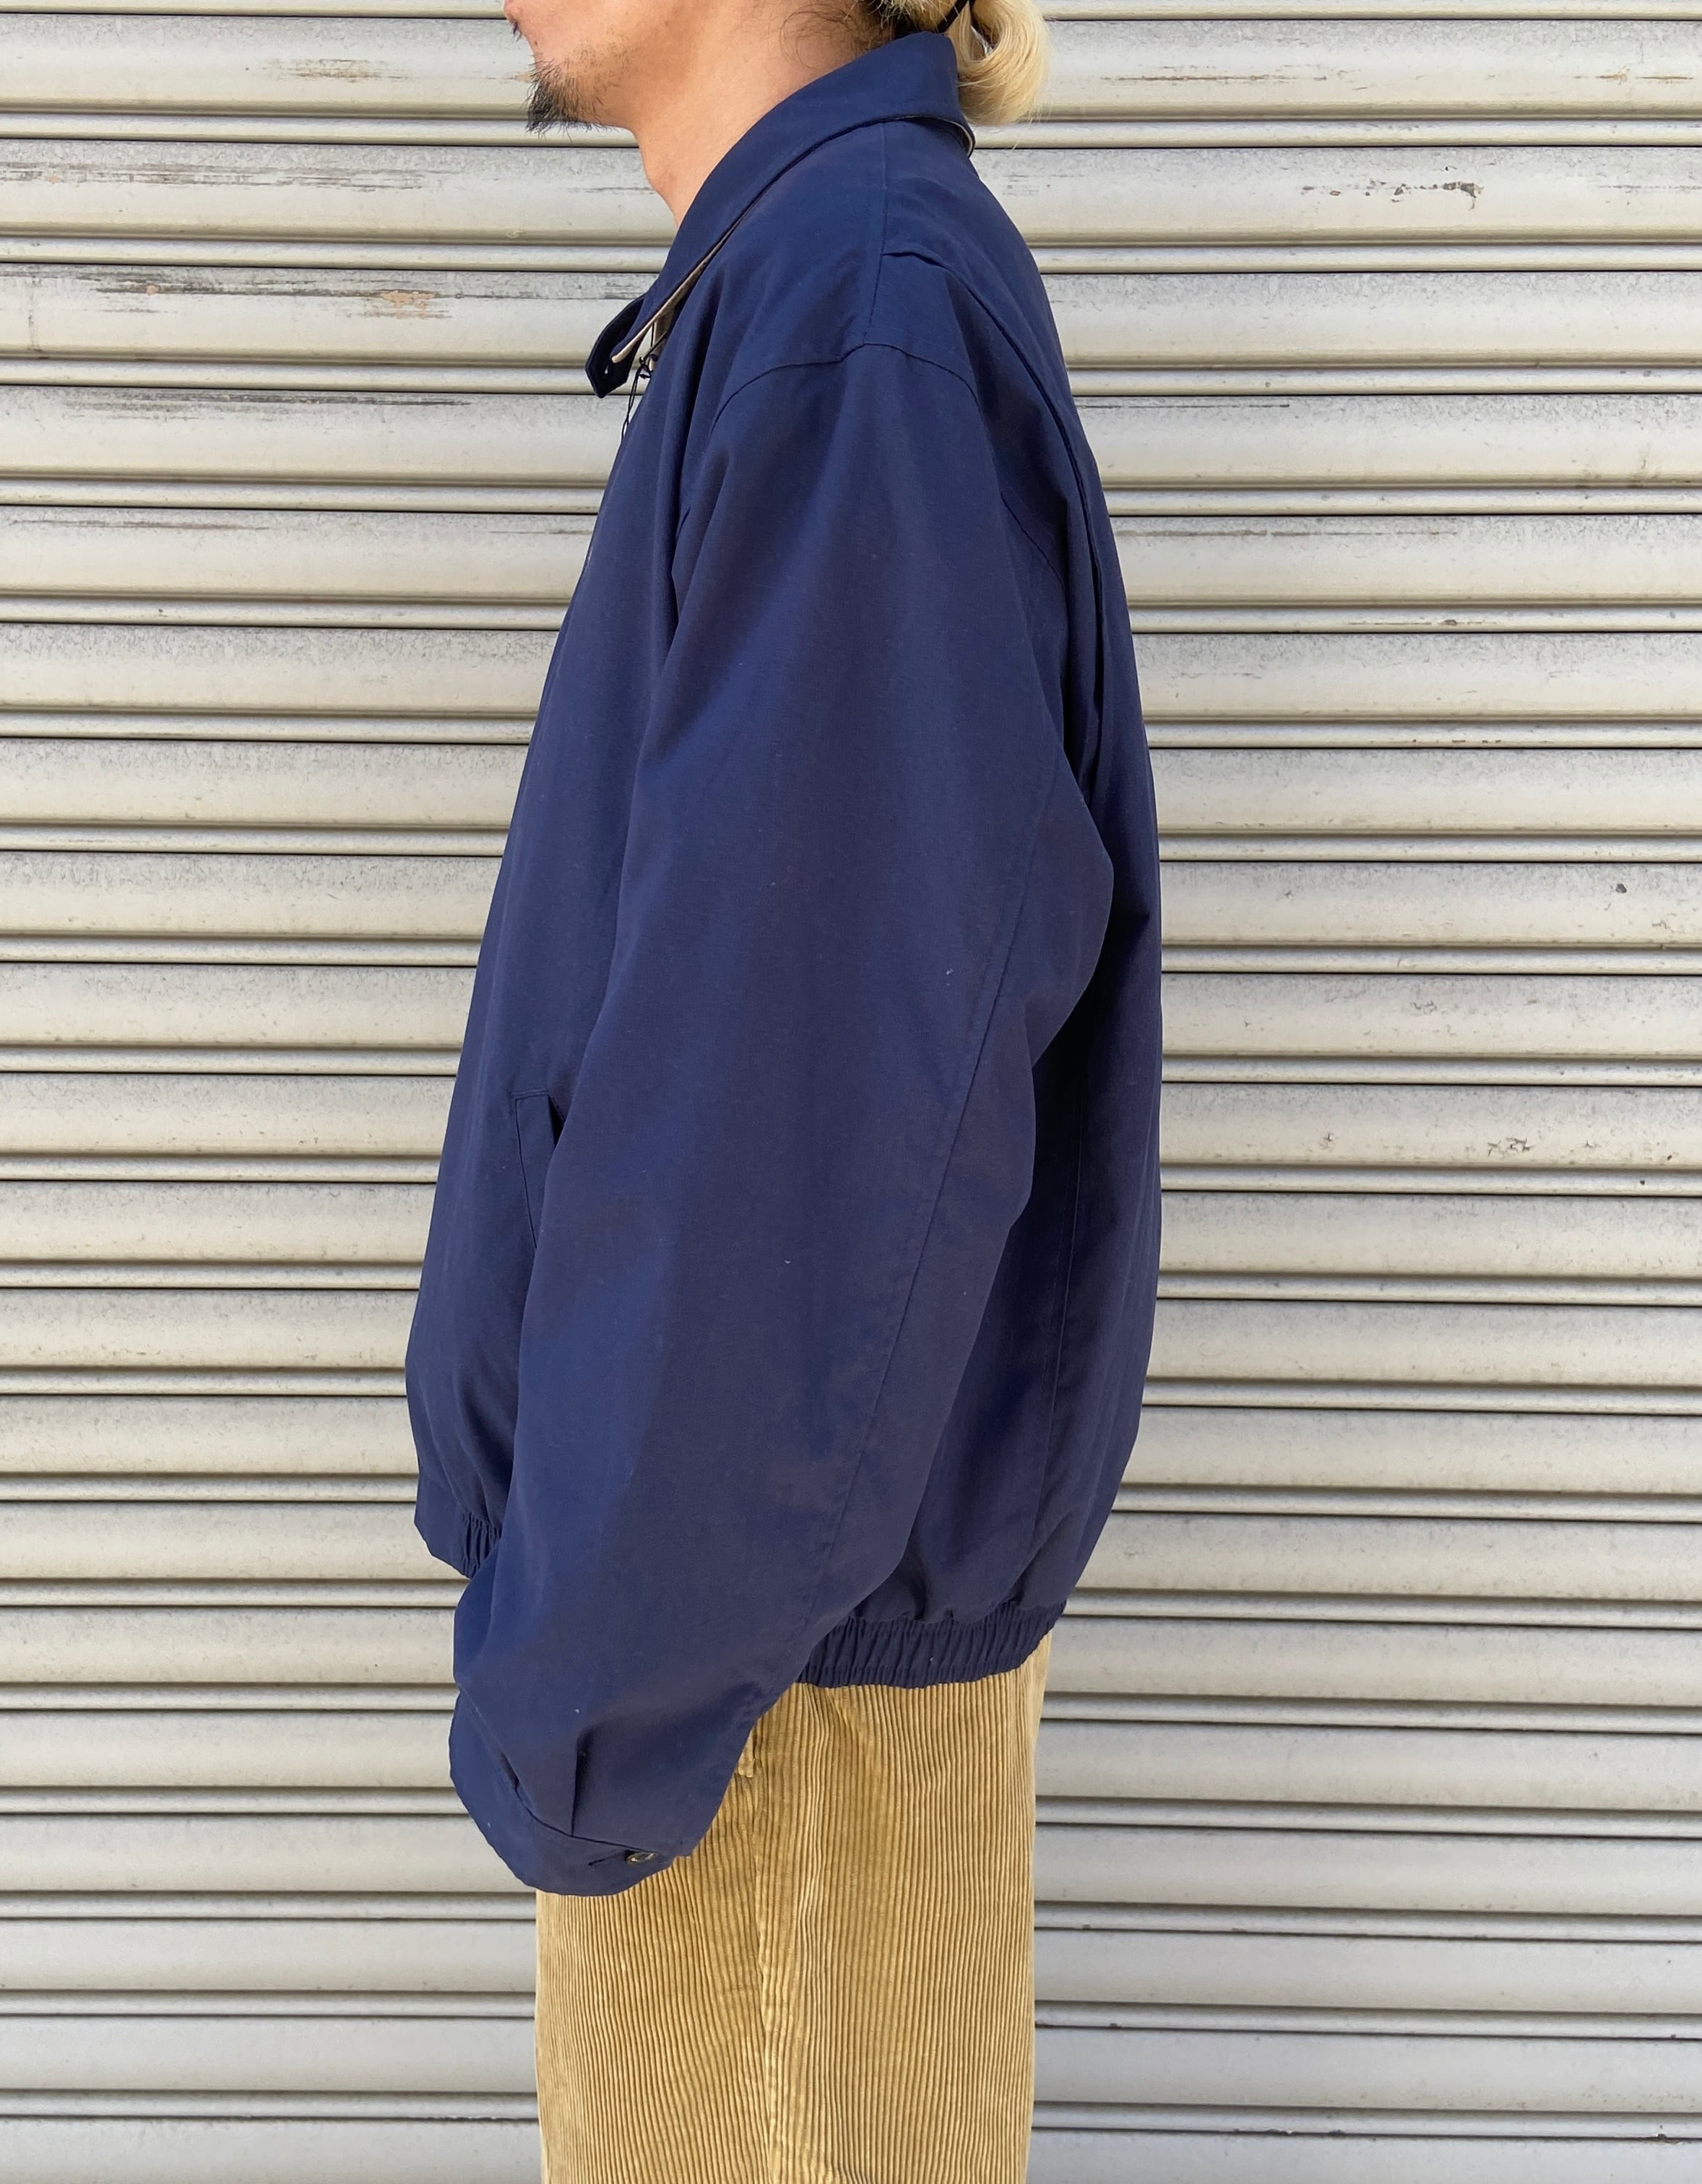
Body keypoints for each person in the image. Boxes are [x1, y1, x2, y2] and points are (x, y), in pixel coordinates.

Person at [405, 0, 1162, 2171]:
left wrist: (593, 1699)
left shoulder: (855, 311)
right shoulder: (818, 287)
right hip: (737, 1662)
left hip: (750, 1713)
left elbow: (805, 1124)